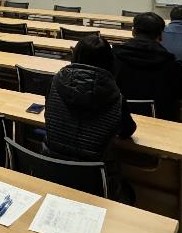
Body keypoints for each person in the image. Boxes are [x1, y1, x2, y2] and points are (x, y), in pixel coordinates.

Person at [43, 35, 136, 204]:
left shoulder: (55, 81)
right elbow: (128, 130)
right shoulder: (115, 94)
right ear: (110, 61)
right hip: (95, 184)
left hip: (50, 171)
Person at [113, 12, 182, 121]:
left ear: (133, 31)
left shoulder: (113, 56)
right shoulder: (170, 63)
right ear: (160, 35)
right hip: (161, 120)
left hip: (120, 118)